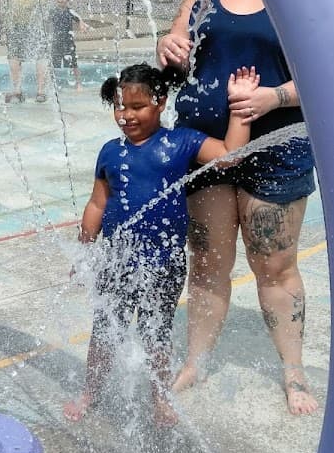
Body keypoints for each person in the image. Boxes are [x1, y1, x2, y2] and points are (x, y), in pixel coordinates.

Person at [157, 0, 318, 415]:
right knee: (207, 265)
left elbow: (326, 77)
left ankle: (293, 372)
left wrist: (273, 98)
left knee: (273, 266)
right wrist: (168, 47)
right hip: (206, 150)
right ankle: (196, 361)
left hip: (275, 153)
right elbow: (175, 53)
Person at [63, 61, 259, 428]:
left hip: (163, 262)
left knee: (157, 333)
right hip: (116, 258)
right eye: (121, 107)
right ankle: (91, 390)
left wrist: (240, 108)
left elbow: (230, 155)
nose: (127, 116)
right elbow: (97, 204)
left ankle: (160, 397)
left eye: (137, 107)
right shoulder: (110, 152)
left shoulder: (180, 141)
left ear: (161, 102)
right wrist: (84, 249)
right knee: (105, 329)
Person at [49, 0, 88, 88]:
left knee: (73, 64)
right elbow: (45, 21)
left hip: (68, 42)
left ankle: (78, 83)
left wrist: (82, 24)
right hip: (56, 42)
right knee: (54, 65)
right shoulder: (52, 11)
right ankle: (53, 84)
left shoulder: (69, 11)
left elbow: (79, 18)